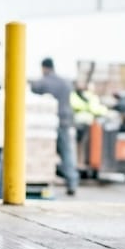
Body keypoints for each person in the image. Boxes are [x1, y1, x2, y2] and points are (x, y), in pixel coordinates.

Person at [29, 57, 79, 196]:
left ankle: (42, 179)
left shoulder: (42, 83)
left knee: (43, 152)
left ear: (44, 68)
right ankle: (72, 182)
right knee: (66, 153)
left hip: (45, 125)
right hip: (64, 121)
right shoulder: (66, 83)